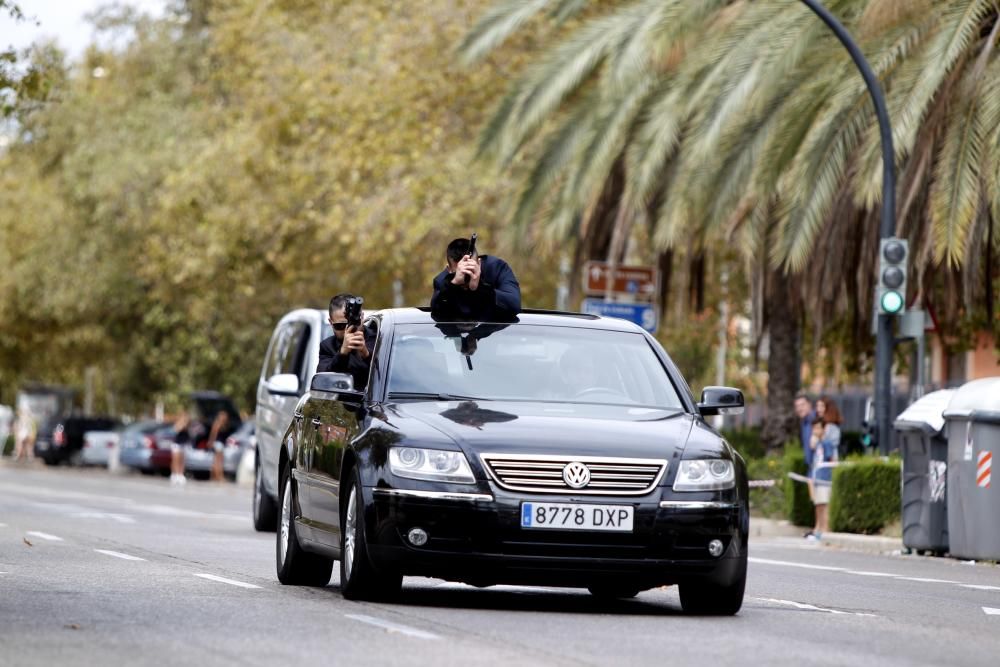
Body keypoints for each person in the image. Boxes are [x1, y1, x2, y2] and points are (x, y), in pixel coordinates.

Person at [430, 237, 521, 321]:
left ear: (479, 263)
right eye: (460, 272)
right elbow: (437, 315)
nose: (466, 277)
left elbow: (514, 305)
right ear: (449, 270)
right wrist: (453, 284)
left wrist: (480, 288)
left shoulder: (496, 268)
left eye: (470, 270)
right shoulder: (442, 281)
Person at [318, 293, 376, 390]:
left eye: (353, 323)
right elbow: (323, 381)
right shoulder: (327, 346)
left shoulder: (378, 338)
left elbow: (392, 376)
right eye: (340, 326)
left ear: (362, 317)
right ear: (331, 323)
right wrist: (342, 353)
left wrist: (366, 354)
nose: (346, 330)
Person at [807, 396, 842, 540]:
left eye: (821, 406)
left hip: (825, 474)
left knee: (823, 503)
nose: (818, 409)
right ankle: (818, 529)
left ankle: (824, 530)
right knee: (818, 503)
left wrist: (820, 438)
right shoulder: (820, 429)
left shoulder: (831, 429)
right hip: (817, 473)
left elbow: (830, 454)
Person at [794, 394, 815, 469]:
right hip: (811, 466)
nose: (799, 409)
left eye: (802, 405)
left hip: (819, 466)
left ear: (810, 404)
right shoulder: (804, 422)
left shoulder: (816, 420)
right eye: (797, 406)